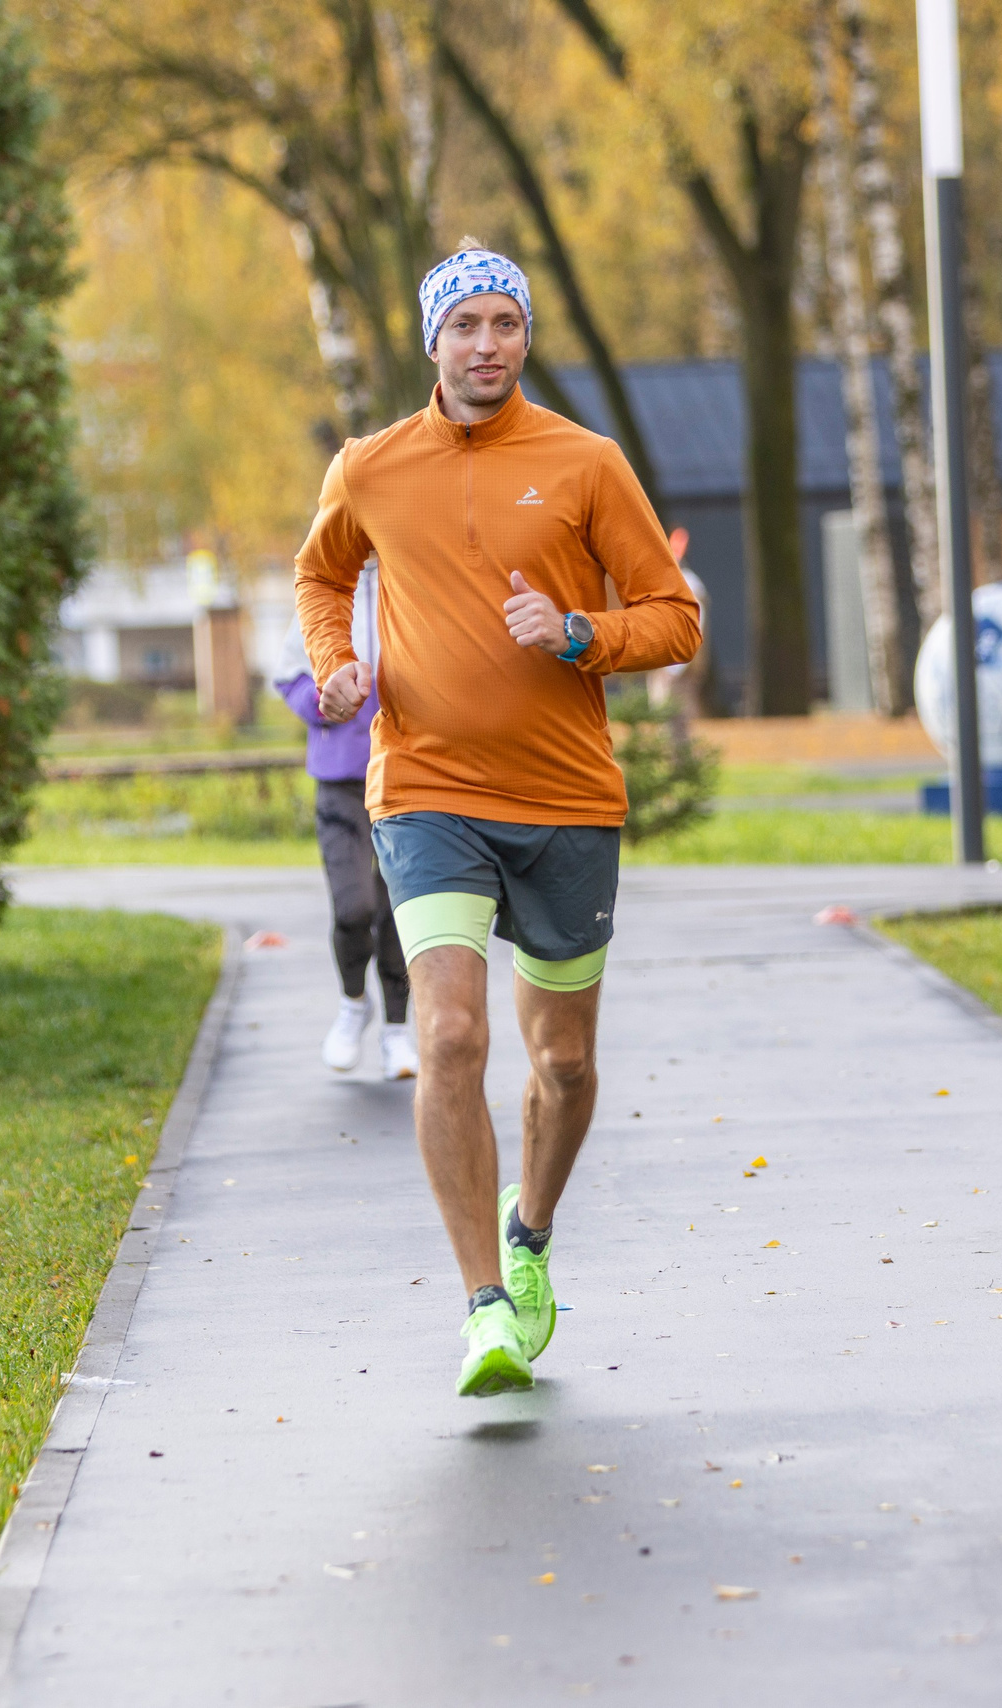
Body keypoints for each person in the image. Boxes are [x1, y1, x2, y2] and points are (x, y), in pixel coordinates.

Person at [294, 246, 701, 1397]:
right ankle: (481, 1306)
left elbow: (672, 618)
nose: (486, 343)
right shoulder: (370, 468)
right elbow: (320, 578)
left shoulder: (584, 461)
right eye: (464, 323)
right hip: (425, 788)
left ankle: (530, 1235)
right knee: (454, 1035)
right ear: (431, 342)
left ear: (524, 337)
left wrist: (578, 633)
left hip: (567, 797)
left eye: (504, 323)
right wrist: (338, 665)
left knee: (562, 1063)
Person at [274, 576, 417, 1080]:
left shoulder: (416, 575)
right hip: (341, 781)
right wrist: (325, 705)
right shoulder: (332, 587)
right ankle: (354, 1003)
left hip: (409, 774)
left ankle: (397, 1033)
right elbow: (288, 674)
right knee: (354, 906)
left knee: (399, 909)